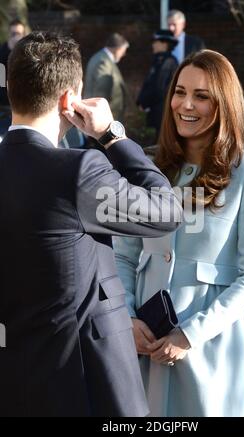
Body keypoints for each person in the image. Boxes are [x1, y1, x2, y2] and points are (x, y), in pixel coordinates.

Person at [0, 31, 182, 417]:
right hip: (85, 378)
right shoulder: (78, 171)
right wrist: (111, 136)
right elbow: (166, 212)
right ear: (70, 99)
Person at [113, 49, 244, 417]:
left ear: (224, 103)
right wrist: (127, 317)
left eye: (201, 96)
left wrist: (191, 335)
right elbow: (122, 254)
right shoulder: (146, 167)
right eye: (179, 92)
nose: (186, 104)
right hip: (144, 349)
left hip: (208, 354)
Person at [137, 29, 178, 141]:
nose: (153, 44)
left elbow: (158, 88)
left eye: (156, 41)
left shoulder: (168, 62)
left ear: (164, 44)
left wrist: (144, 102)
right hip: (158, 111)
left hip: (161, 113)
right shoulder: (160, 60)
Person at [84, 32, 129, 122]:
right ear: (118, 49)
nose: (123, 55)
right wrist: (103, 119)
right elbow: (101, 92)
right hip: (104, 119)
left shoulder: (102, 58)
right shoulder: (103, 62)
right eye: (123, 51)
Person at [0, 18, 26, 136]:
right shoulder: (2, 53)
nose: (16, 37)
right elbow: (1, 82)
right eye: (13, 34)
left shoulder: (26, 54)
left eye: (19, 34)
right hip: (5, 107)